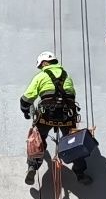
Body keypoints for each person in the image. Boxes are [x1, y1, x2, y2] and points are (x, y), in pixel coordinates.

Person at [20, 51, 89, 183]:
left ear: (45, 63)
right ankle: (80, 172)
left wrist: (25, 111)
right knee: (74, 143)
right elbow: (71, 96)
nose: (41, 68)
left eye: (41, 66)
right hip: (66, 117)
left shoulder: (41, 77)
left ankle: (33, 166)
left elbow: (26, 99)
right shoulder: (67, 78)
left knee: (37, 140)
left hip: (46, 116)